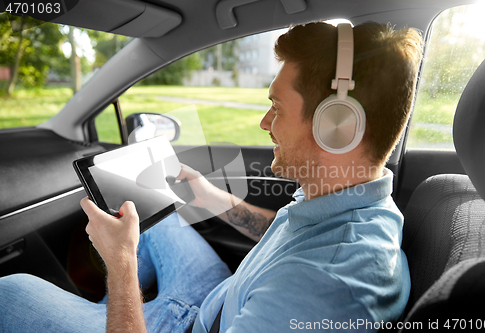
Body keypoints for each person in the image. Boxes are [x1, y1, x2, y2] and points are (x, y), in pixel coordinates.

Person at [0, 21, 423, 332]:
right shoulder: (353, 200)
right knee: (151, 213)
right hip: (219, 298)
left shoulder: (320, 289)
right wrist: (210, 198)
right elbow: (281, 237)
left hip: (202, 323)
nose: (263, 122)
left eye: (276, 107)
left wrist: (121, 262)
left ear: (338, 126)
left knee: (11, 291)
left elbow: (301, 277)